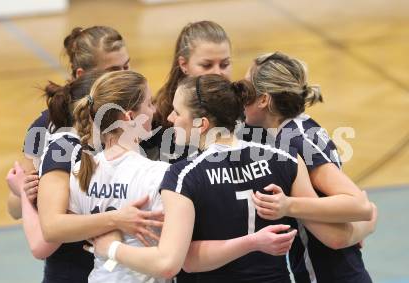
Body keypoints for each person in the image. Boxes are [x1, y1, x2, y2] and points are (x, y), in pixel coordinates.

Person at [89, 74, 369, 283]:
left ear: (202, 124)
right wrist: (366, 223)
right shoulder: (285, 157)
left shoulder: (183, 175)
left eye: (178, 111)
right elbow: (337, 229)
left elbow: (177, 261)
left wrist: (109, 248)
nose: (171, 118)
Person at [6, 69, 163, 283]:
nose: (155, 110)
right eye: (149, 104)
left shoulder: (83, 168)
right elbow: (46, 236)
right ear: (128, 115)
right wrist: (115, 223)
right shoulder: (154, 173)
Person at [245, 52, 376, 282]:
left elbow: (359, 205)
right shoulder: (303, 126)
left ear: (264, 100)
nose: (240, 98)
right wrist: (361, 227)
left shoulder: (293, 140)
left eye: (245, 90)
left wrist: (287, 206)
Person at [7, 25, 130, 219]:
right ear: (82, 75)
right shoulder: (44, 125)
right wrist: (22, 193)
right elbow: (14, 210)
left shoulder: (134, 114)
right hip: (68, 243)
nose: (124, 76)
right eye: (113, 70)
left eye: (127, 66)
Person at [143, 20, 232, 161]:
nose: (217, 72)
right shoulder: (159, 116)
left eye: (224, 64)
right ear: (184, 64)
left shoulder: (241, 106)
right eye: (207, 65)